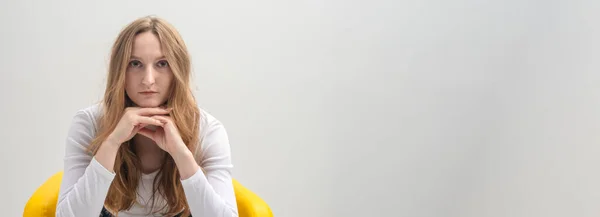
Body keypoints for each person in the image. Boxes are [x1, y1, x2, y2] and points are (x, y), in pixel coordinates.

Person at [55, 16, 239, 217]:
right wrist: (112, 142)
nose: (148, 80)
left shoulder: (207, 129)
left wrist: (181, 154)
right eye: (135, 64)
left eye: (162, 63)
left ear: (178, 69)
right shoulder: (89, 123)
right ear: (120, 70)